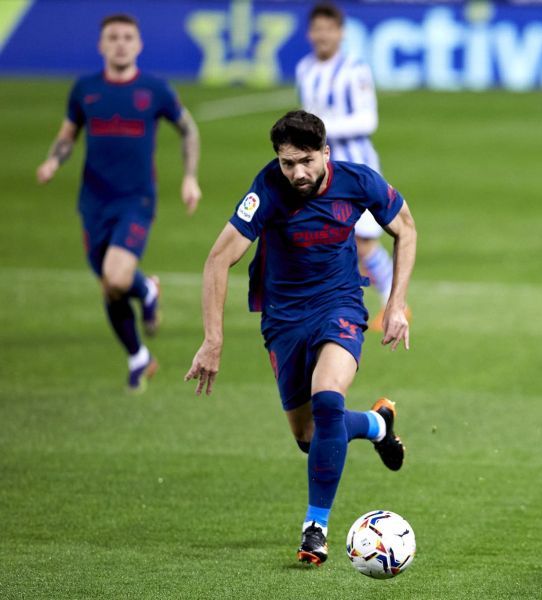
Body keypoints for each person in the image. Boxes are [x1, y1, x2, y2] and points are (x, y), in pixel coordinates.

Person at [184, 110, 416, 566]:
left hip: (340, 307)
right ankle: (376, 424)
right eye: (288, 162)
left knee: (327, 400)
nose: (298, 173)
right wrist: (212, 340)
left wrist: (395, 304)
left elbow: (405, 227)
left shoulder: (359, 182)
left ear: (326, 153)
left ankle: (316, 528)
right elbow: (217, 259)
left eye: (307, 160)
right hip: (284, 319)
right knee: (310, 437)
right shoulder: (267, 188)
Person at [35, 13, 201, 392]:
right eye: (113, 37)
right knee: (109, 287)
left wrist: (189, 177)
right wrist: (52, 160)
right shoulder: (85, 90)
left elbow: (187, 128)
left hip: (136, 199)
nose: (121, 43)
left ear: (139, 44)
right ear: (101, 45)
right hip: (93, 202)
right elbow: (68, 135)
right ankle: (138, 358)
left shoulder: (155, 89)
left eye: (128, 37)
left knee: (119, 276)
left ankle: (147, 290)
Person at [294, 2, 405, 332]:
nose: (322, 35)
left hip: (357, 168)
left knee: (364, 242)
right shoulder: (304, 69)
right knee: (327, 238)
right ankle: (331, 304)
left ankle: (392, 302)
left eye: (329, 28)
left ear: (341, 33)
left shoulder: (354, 70)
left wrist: (322, 128)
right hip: (320, 173)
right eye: (317, 28)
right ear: (309, 33)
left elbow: (367, 119)